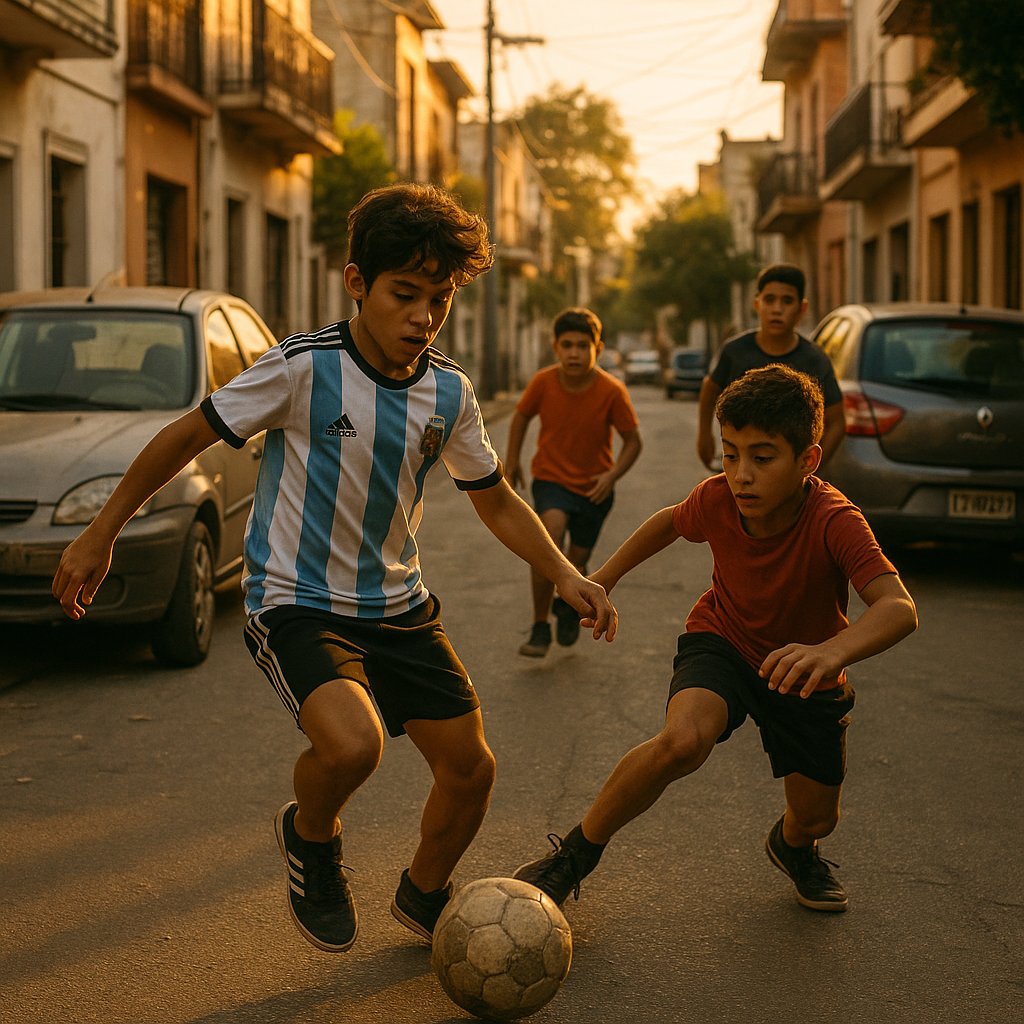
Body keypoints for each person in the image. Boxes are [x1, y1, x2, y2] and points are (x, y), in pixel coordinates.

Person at [51, 183, 617, 954]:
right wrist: (100, 531)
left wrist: (565, 575)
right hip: (296, 600)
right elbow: (185, 437)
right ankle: (311, 836)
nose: (422, 317)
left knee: (470, 770)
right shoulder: (301, 369)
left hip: (399, 604)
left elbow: (497, 501)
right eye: (405, 294)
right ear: (357, 283)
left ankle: (422, 896)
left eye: (439, 299)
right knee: (354, 746)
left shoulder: (448, 391)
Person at [514, 364, 917, 914]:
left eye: (762, 457)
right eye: (730, 454)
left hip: (805, 671)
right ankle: (574, 857)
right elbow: (668, 522)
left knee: (817, 816)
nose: (741, 475)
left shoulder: (834, 520)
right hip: (723, 639)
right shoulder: (718, 499)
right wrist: (602, 578)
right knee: (682, 741)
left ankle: (794, 847)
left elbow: (898, 608)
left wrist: (830, 652)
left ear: (808, 461)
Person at [504, 307, 642, 658]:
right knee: (547, 541)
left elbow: (633, 442)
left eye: (583, 345)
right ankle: (539, 625)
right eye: (567, 345)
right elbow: (520, 417)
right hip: (550, 479)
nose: (574, 353)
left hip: (595, 490)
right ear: (555, 347)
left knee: (576, 563)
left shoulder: (612, 391)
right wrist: (513, 459)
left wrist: (611, 476)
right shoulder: (543, 382)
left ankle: (566, 607)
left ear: (599, 347)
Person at [696, 263, 845, 471]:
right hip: (741, 470)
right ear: (757, 304)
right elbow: (709, 390)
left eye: (787, 301)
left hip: (789, 478)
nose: (777, 309)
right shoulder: (735, 351)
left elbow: (837, 422)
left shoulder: (815, 360)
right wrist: (704, 436)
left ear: (802, 308)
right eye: (769, 300)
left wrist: (809, 468)